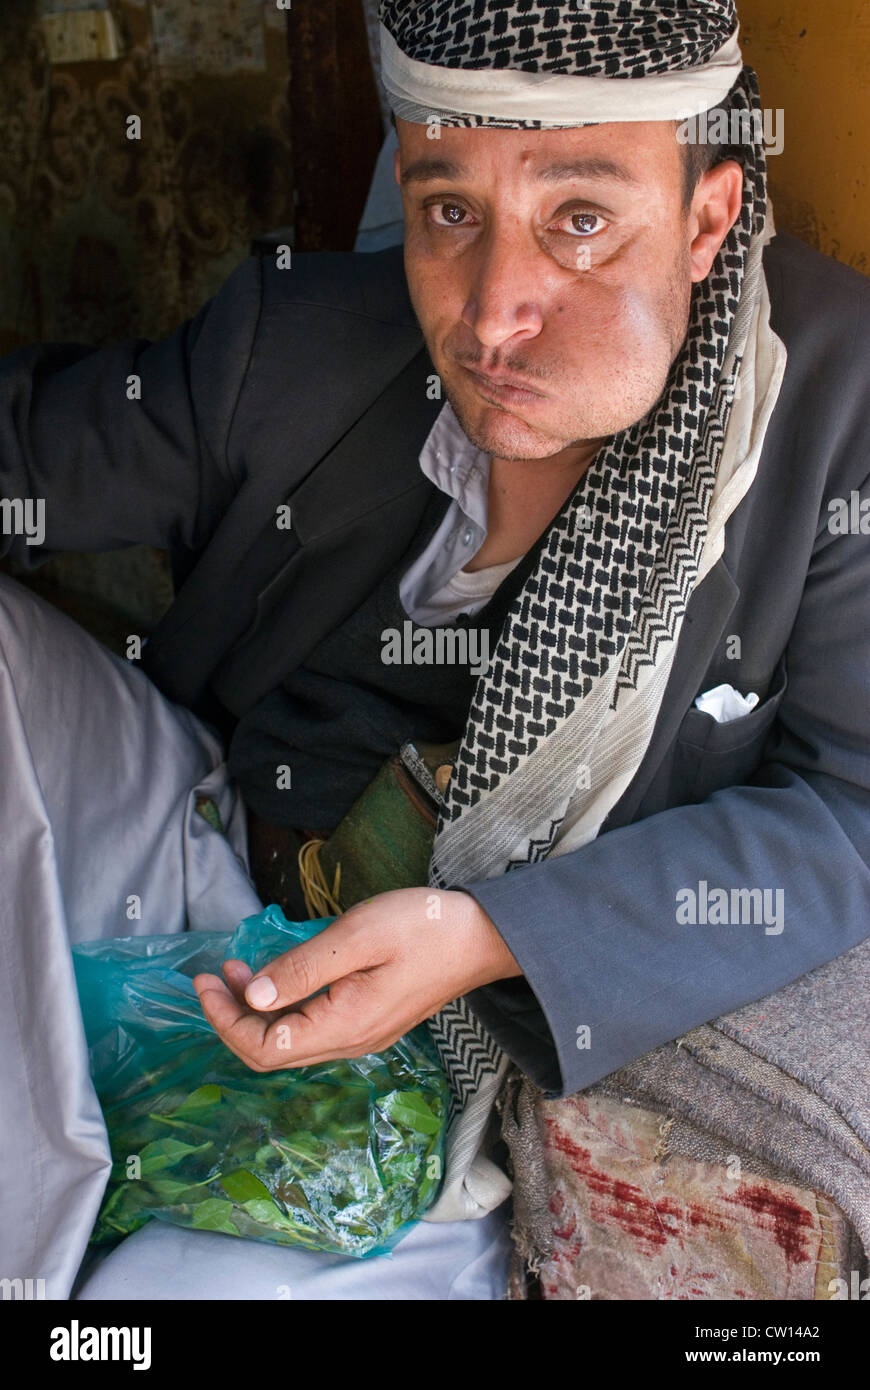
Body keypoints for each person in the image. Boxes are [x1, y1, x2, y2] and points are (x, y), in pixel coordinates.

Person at [1, 0, 868, 1299]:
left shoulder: (840, 409)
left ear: (704, 220)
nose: (492, 314)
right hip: (208, 849)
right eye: (450, 210)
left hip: (458, 1062)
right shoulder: (294, 345)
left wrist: (487, 937)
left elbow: (853, 808)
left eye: (580, 220)